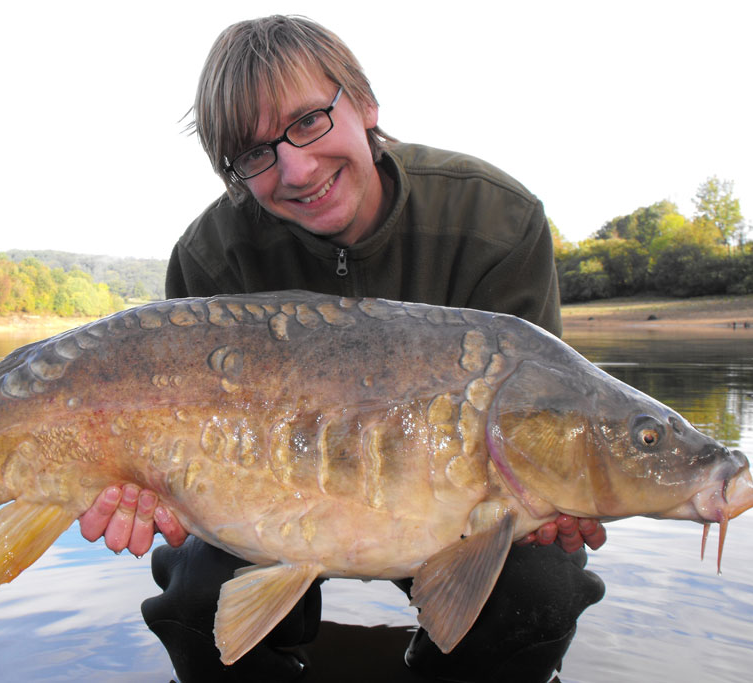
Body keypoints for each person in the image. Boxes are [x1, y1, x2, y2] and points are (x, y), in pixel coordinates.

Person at [79, 15, 606, 682]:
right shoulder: (209, 258)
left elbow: (549, 409)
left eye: (308, 121)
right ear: (235, 173)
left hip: (457, 514)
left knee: (539, 594)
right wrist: (146, 491)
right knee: (194, 597)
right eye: (255, 153)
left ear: (363, 102)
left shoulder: (496, 221)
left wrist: (554, 494)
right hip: (269, 514)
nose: (296, 169)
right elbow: (173, 442)